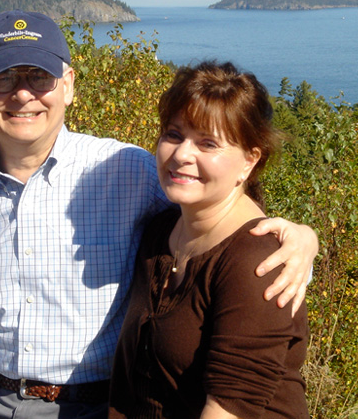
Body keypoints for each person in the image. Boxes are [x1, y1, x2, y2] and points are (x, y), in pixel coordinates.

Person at [0, 10, 317, 419]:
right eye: (3, 77)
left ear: (68, 85)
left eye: (39, 77)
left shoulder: (128, 171)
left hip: (100, 406)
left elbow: (221, 223)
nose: (23, 94)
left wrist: (298, 238)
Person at [108, 61, 309, 419]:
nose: (182, 155)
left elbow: (230, 408)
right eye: (173, 135)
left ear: (249, 161)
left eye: (208, 143)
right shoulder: (161, 231)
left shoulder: (256, 263)